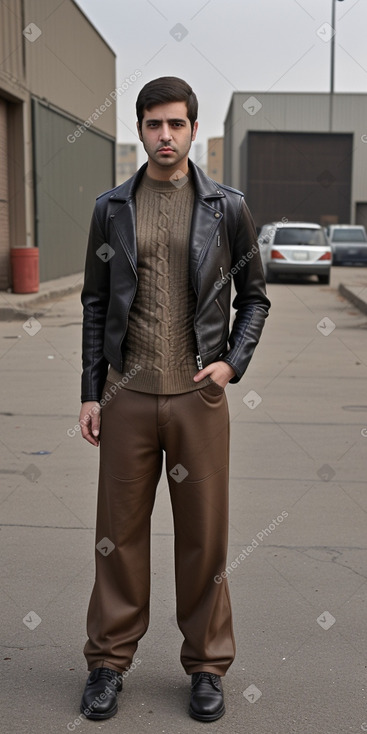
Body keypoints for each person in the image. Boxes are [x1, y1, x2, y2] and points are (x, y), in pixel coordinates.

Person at [78, 76, 270, 723]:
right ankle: (107, 662)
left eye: (177, 125)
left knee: (204, 539)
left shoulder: (228, 208)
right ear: (140, 129)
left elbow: (255, 298)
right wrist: (90, 392)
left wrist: (230, 364)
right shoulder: (112, 208)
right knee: (117, 537)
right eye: (155, 125)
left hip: (197, 398)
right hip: (127, 394)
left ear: (192, 129)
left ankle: (207, 667)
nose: (166, 136)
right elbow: (96, 302)